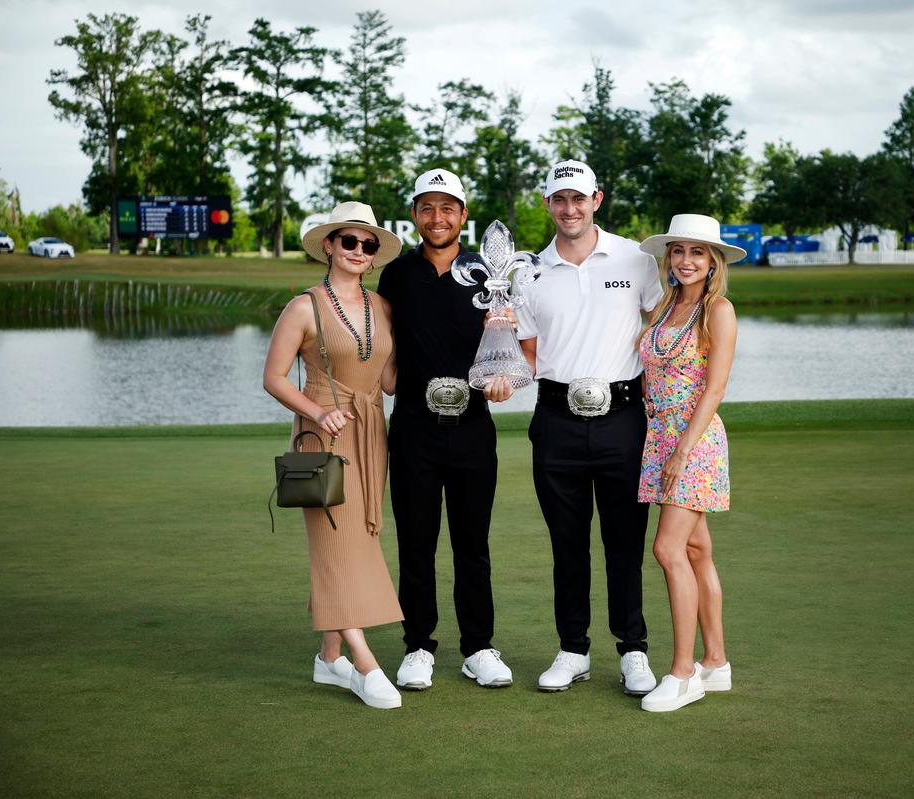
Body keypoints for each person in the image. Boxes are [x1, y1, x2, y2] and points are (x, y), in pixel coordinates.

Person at [512, 160, 662, 695]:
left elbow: (660, 326)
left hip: (624, 418)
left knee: (625, 542)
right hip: (555, 421)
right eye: (559, 199)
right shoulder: (528, 271)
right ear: (547, 204)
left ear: (597, 199)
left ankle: (633, 650)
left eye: (579, 198)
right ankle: (573, 649)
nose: (569, 208)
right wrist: (497, 373)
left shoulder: (635, 257)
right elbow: (525, 352)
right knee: (567, 544)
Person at [262, 201, 404, 709]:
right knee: (336, 544)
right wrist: (318, 413)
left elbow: (387, 379)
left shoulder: (382, 306)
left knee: (356, 540)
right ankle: (364, 664)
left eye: (368, 245)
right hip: (324, 437)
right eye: (350, 241)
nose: (360, 251)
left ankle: (328, 658)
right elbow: (274, 377)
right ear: (329, 245)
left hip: (370, 433)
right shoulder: (303, 306)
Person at [377, 168, 513, 690]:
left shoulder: (487, 274)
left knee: (472, 543)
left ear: (463, 214)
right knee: (416, 541)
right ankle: (418, 645)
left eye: (447, 208)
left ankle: (478, 646)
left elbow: (505, 341)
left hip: (473, 426)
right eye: (427, 208)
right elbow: (385, 340)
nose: (437, 218)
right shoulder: (397, 273)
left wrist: (503, 377)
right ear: (414, 215)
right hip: (413, 426)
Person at [633, 214, 741, 713]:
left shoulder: (718, 311)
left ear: (713, 260)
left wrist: (681, 450)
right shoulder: (661, 307)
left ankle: (682, 674)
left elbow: (715, 388)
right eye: (678, 251)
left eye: (698, 253)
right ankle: (715, 663)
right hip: (658, 436)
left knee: (667, 549)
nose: (686, 261)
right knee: (697, 553)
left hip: (693, 441)